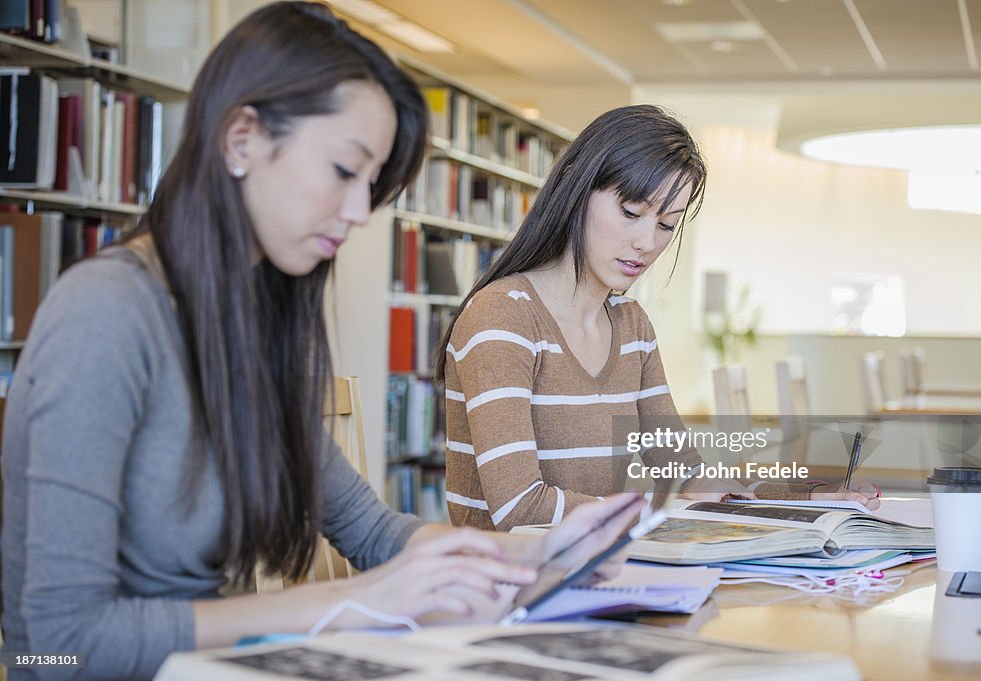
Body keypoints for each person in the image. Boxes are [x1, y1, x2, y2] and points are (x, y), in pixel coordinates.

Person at [0, 4, 643, 679]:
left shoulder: (257, 322)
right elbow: (59, 642)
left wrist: (536, 555)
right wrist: (354, 599)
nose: (362, 212)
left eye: (372, 184)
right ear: (241, 138)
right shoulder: (106, 313)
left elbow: (369, 531)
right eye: (345, 170)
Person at [438, 105, 880, 531]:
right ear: (577, 189)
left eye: (667, 225)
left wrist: (799, 500)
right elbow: (519, 509)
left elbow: (683, 474)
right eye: (631, 212)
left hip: (596, 571)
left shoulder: (631, 326)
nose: (647, 242)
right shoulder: (503, 316)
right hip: (505, 588)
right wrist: (661, 513)